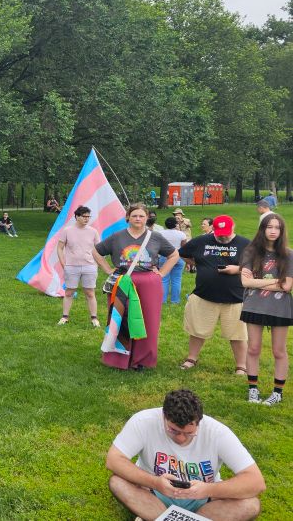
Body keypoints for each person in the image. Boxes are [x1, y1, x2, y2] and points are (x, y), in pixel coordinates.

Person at [106, 389, 265, 521]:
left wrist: (207, 489)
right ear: (164, 416)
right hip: (154, 493)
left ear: (199, 422)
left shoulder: (218, 432)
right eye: (174, 431)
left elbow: (256, 482)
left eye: (189, 433)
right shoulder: (143, 421)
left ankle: (169, 518)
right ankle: (164, 516)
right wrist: (155, 482)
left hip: (204, 500)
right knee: (117, 482)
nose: (181, 438)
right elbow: (114, 460)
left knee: (251, 505)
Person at [93, 203, 180, 370]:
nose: (138, 219)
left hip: (149, 283)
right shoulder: (117, 236)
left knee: (148, 320)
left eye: (141, 216)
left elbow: (174, 254)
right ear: (128, 218)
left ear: (147, 217)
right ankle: (118, 358)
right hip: (123, 281)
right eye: (134, 216)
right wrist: (108, 269)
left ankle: (142, 360)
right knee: (119, 318)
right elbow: (96, 251)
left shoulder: (155, 237)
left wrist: (161, 273)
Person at [177, 215, 251, 374]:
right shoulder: (201, 241)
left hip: (235, 298)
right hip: (204, 295)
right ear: (213, 229)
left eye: (226, 232)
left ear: (233, 227)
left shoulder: (245, 244)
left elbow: (256, 266)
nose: (223, 236)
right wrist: (198, 264)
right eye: (219, 232)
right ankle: (191, 358)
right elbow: (182, 253)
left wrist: (236, 269)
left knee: (238, 334)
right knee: (197, 330)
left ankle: (241, 366)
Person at [240, 213, 293, 406]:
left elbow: (287, 286)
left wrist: (256, 283)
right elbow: (245, 281)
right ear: (262, 229)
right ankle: (253, 389)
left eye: (277, 227)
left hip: (279, 308)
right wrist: (274, 281)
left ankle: (277, 392)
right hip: (254, 305)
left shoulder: (288, 254)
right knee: (253, 348)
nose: (273, 231)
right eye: (269, 227)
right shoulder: (251, 252)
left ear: (281, 231)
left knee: (279, 350)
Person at [56, 206, 101, 327]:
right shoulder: (67, 230)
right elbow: (59, 247)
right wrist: (63, 263)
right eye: (84, 216)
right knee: (69, 292)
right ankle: (65, 317)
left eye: (88, 216)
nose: (87, 219)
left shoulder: (93, 231)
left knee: (90, 293)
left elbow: (99, 249)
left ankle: (94, 318)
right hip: (71, 266)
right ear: (77, 217)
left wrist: (97, 264)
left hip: (89, 266)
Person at [159, 217, 188, 305]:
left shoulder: (160, 233)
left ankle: (163, 301)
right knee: (177, 280)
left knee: (164, 279)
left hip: (165, 256)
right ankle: (175, 301)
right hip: (179, 257)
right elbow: (184, 248)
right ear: (176, 224)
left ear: (165, 224)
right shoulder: (181, 234)